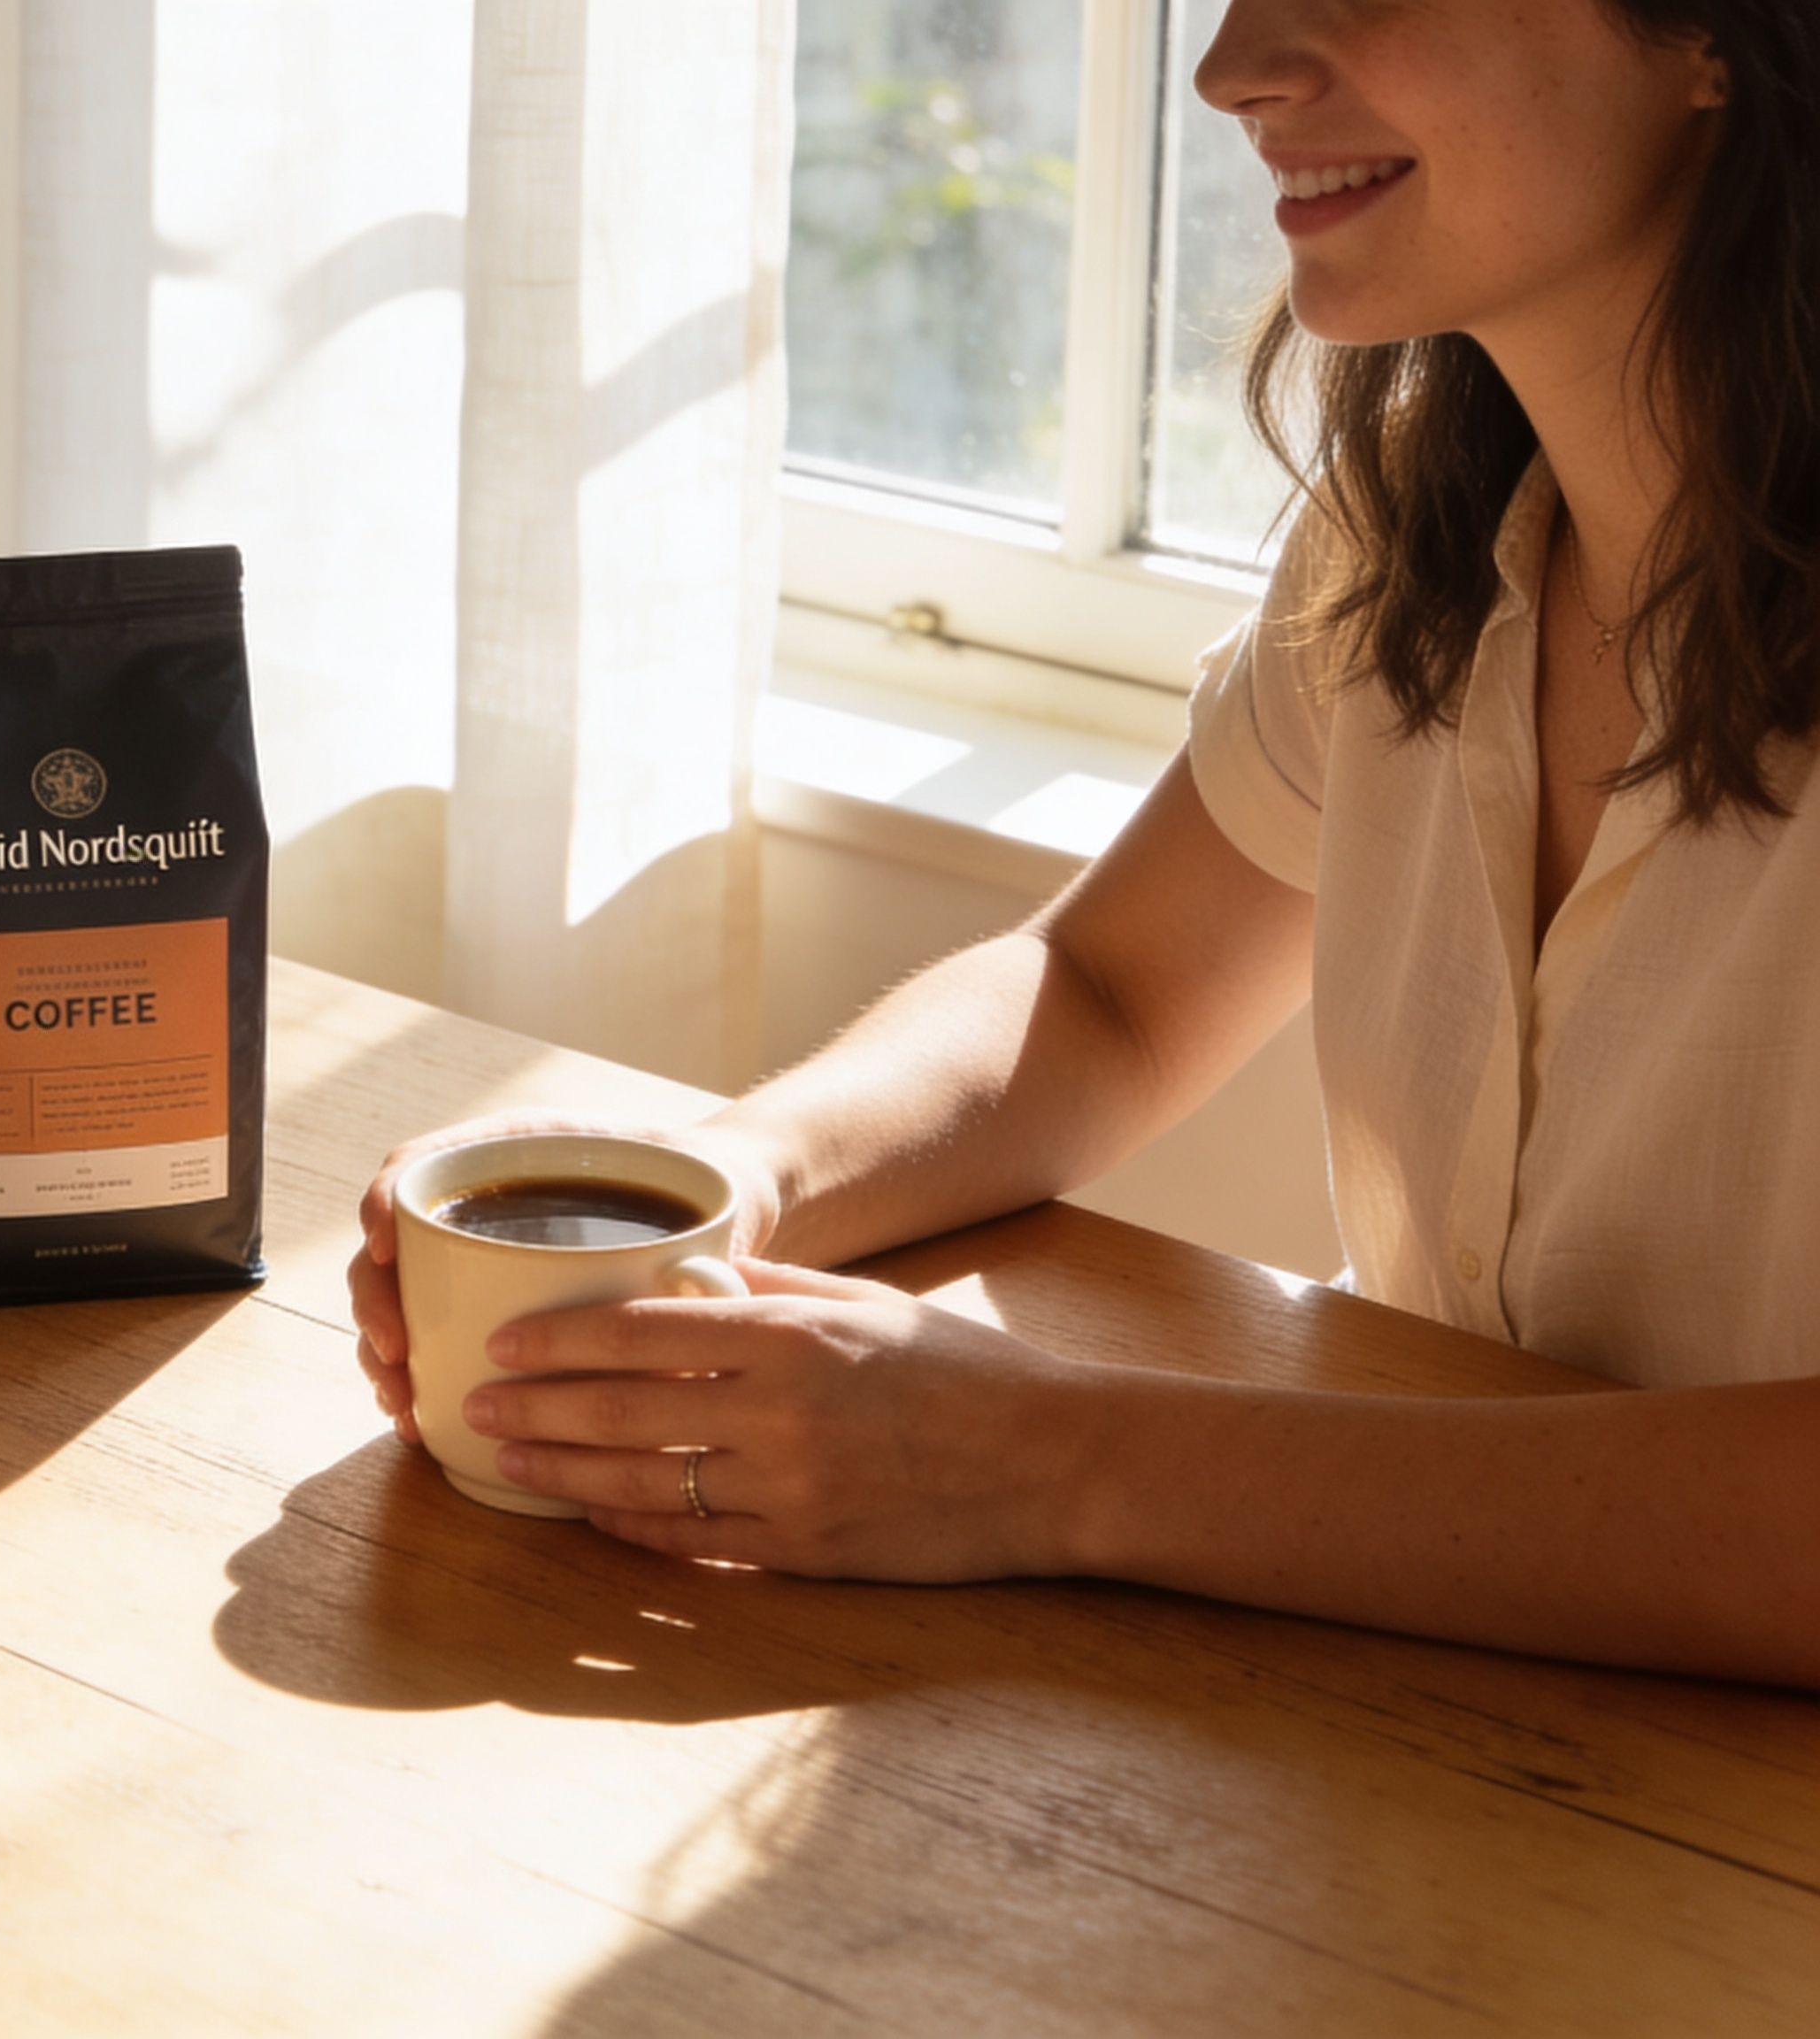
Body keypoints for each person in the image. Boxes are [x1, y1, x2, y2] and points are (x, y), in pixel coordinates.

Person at [351, 0, 1820, 1692]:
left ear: (1719, 30)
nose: (1230, 68)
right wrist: (735, 1184)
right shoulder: (1413, 526)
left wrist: (1038, 1457)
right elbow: (1111, 990)